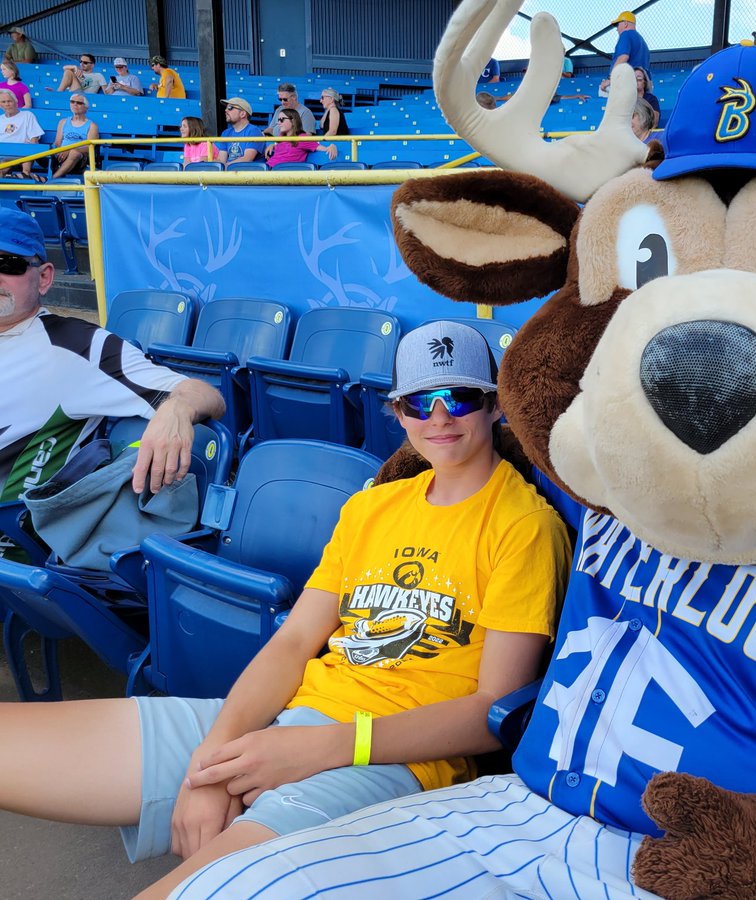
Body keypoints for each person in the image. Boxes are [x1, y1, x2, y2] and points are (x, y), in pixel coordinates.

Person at [0, 316, 570, 896]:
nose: (441, 417)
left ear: (497, 407)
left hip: (392, 760)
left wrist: (322, 747)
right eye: (420, 403)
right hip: (290, 721)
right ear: (397, 413)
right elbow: (295, 641)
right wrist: (210, 762)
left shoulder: (524, 526)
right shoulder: (374, 506)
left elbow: (491, 713)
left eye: (461, 398)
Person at [0, 207, 225, 525]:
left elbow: (205, 394)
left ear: (45, 277)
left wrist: (176, 410)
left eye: (7, 263)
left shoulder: (77, 346)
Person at [51, 93, 99, 179]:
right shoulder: (63, 122)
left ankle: (52, 179)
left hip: (80, 158)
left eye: (79, 103)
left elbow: (89, 147)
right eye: (72, 102)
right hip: (62, 154)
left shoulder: (92, 126)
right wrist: (60, 152)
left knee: (74, 153)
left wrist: (70, 150)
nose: (75, 104)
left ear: (86, 108)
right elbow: (58, 142)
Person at [0, 88, 43, 179]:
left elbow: (34, 139)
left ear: (16, 102)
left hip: (23, 155)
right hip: (3, 156)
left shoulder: (27, 115)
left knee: (28, 150)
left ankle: (26, 174)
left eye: (9, 101)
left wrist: (31, 152)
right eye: (3, 102)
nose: (7, 104)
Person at [603, 9, 650, 91]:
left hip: (628, 84)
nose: (616, 29)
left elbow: (623, 57)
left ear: (625, 24)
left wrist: (610, 79)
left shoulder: (626, 35)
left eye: (618, 25)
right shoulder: (642, 42)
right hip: (642, 88)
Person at [215, 97, 263, 165]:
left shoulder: (254, 131)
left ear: (242, 114)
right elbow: (221, 160)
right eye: (226, 108)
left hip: (247, 172)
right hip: (230, 172)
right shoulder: (226, 133)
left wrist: (225, 167)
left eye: (230, 108)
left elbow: (247, 159)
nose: (226, 110)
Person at [315, 87, 348, 159]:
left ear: (331, 99)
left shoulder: (334, 110)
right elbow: (321, 125)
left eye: (322, 97)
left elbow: (332, 131)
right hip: (331, 143)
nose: (321, 101)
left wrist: (320, 142)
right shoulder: (330, 110)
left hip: (338, 145)